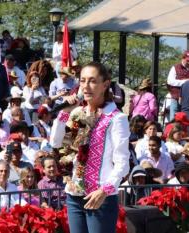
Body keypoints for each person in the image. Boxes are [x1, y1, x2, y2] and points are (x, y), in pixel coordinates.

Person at [50, 62, 131, 233]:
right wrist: (64, 113)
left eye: (92, 81)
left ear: (105, 84)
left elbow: (123, 163)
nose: (86, 86)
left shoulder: (116, 118)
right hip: (74, 195)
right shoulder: (76, 113)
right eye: (83, 80)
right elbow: (56, 144)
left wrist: (104, 191)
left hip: (101, 197)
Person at [167, 50, 189, 121]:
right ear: (183, 58)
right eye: (187, 60)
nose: (188, 62)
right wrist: (185, 82)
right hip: (176, 98)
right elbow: (170, 81)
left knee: (185, 120)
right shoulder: (175, 67)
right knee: (174, 119)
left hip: (186, 100)